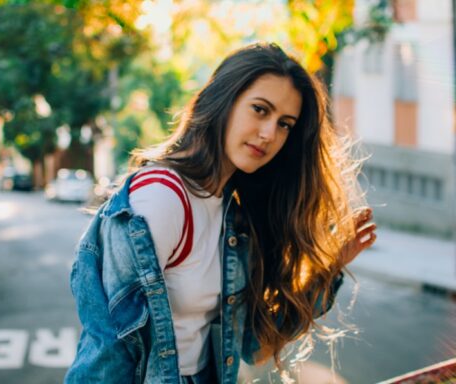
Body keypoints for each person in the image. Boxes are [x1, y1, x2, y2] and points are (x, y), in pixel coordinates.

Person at [64, 42, 377, 384]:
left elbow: (255, 348)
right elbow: (112, 357)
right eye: (260, 110)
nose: (270, 133)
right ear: (222, 101)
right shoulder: (162, 198)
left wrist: (329, 270)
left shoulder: (232, 212)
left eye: (285, 124)